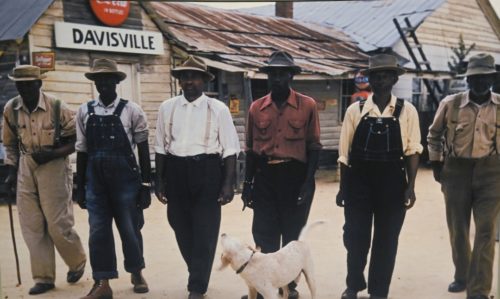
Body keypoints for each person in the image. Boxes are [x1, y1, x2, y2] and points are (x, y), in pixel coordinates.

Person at [336, 54, 422, 299]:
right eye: (376, 75)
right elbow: (344, 153)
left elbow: (413, 150)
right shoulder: (356, 109)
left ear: (394, 79)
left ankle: (379, 291)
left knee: (386, 240)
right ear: (369, 79)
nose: (380, 80)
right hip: (358, 181)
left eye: (386, 75)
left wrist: (410, 187)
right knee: (355, 237)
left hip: (392, 183)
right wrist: (343, 188)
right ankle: (353, 285)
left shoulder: (408, 111)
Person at [154, 55, 240, 299]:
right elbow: (160, 146)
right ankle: (197, 270)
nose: (189, 81)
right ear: (179, 81)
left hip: (208, 170)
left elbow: (230, 149)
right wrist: (159, 180)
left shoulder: (218, 109)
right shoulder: (167, 108)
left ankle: (197, 287)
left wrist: (228, 184)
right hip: (176, 171)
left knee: (205, 229)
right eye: (184, 76)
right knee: (179, 225)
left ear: (204, 80)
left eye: (194, 76)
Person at [241, 50, 322, 299]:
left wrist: (308, 184)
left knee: (292, 234)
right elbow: (251, 151)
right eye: (272, 73)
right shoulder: (256, 108)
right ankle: (268, 286)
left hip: (295, 177)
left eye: (282, 73)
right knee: (264, 232)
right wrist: (247, 184)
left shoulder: (307, 105)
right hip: (265, 176)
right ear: (268, 77)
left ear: (291, 76)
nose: (276, 78)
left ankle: (290, 286)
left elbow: (314, 147)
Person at [2, 65, 87, 295]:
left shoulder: (58, 106)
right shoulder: (11, 109)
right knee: (32, 226)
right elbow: (9, 144)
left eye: (30, 83)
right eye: (21, 84)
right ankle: (44, 277)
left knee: (57, 223)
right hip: (26, 166)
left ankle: (77, 261)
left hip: (54, 165)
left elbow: (77, 141)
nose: (25, 88)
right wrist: (11, 171)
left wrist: (53, 154)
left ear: (40, 83)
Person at [76, 59, 152, 299]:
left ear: (117, 82)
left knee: (130, 227)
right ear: (95, 84)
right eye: (100, 81)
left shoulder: (132, 110)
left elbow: (143, 148)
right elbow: (82, 150)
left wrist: (146, 185)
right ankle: (102, 280)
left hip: (126, 181)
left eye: (109, 80)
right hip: (95, 181)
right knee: (98, 229)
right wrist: (80, 187)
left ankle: (136, 271)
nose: (104, 85)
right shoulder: (84, 110)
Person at [427, 53, 500, 299]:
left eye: (485, 78)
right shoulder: (451, 103)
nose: (480, 83)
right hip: (456, 171)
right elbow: (434, 135)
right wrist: (437, 165)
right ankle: (462, 275)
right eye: (475, 78)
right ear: (468, 79)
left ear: (492, 78)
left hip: (492, 173)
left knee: (486, 230)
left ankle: (479, 289)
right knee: (458, 228)